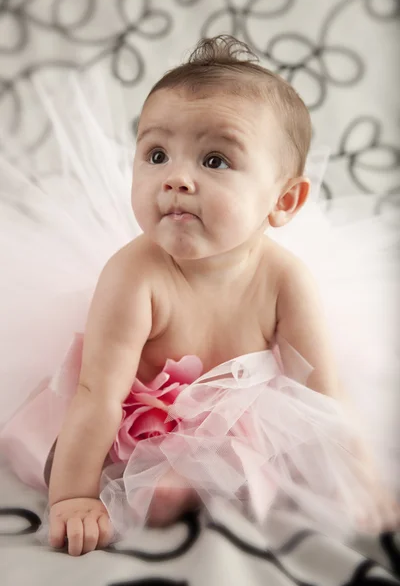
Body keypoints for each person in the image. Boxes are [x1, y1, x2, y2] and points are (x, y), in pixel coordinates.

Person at [0, 35, 399, 557]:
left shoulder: (285, 279)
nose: (177, 179)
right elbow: (98, 394)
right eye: (157, 154)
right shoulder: (133, 275)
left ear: (282, 200)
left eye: (214, 160)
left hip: (235, 413)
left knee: (260, 477)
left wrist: (361, 481)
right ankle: (157, 482)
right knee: (62, 457)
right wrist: (72, 498)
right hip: (126, 407)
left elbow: (323, 393)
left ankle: (193, 483)